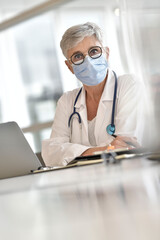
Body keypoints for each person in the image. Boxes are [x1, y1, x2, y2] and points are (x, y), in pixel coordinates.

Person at [42, 22, 145, 166]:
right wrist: (105, 149)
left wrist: (76, 153)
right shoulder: (67, 101)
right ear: (69, 66)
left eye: (94, 51)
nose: (88, 61)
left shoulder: (129, 85)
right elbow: (51, 153)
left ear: (107, 53)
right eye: (78, 56)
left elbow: (125, 146)